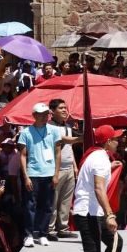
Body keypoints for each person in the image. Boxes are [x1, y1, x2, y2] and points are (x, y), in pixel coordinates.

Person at [54, 125, 124, 252]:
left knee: (115, 242)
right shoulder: (100, 159)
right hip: (87, 213)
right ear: (108, 142)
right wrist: (110, 214)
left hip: (93, 212)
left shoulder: (98, 156)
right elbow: (99, 188)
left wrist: (110, 167)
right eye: (115, 139)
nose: (118, 142)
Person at [18, 102, 63, 248]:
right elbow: (22, 155)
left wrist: (56, 174)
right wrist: (26, 177)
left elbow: (58, 153)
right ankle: (29, 234)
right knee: (30, 205)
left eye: (46, 114)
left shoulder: (54, 130)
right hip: (33, 173)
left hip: (49, 173)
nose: (44, 117)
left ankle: (43, 234)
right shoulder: (26, 132)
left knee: (47, 206)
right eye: (41, 114)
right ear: (34, 115)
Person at [47, 98, 80, 242]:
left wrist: (74, 166)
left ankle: (63, 228)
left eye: (65, 108)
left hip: (68, 168)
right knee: (53, 201)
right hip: (56, 170)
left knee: (66, 201)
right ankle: (50, 229)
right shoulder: (49, 127)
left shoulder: (68, 126)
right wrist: (82, 138)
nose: (65, 110)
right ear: (52, 111)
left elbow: (69, 148)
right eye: (61, 108)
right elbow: (66, 140)